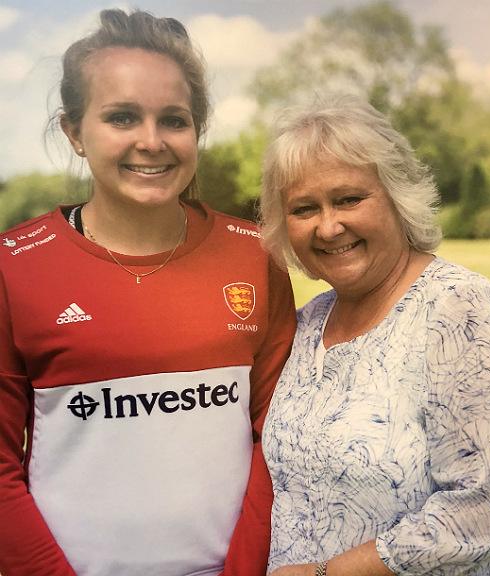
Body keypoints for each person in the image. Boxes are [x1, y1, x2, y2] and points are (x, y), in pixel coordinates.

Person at [0, 9, 296, 575]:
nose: (151, 142)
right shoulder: (14, 268)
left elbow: (276, 445)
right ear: (73, 132)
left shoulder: (255, 255)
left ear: (197, 130)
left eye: (174, 120)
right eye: (122, 117)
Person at [258, 95, 490, 576]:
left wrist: (325, 574)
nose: (329, 227)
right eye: (304, 208)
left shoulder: (460, 310)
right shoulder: (309, 323)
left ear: (398, 195)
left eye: (349, 199)